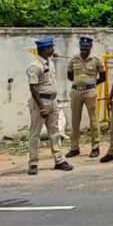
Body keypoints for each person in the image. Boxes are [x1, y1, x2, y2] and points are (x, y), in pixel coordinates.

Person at [26, 38, 74, 175]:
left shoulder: (50, 63)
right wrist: (41, 107)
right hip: (40, 101)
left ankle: (59, 160)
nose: (53, 50)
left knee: (55, 131)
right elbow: (33, 88)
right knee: (35, 133)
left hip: (52, 101)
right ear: (44, 49)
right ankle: (33, 163)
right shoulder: (35, 66)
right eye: (50, 48)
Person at [66, 37, 106, 159]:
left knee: (93, 121)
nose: (84, 50)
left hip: (90, 92)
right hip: (76, 91)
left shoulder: (96, 60)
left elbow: (103, 77)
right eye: (82, 48)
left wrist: (91, 84)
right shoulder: (73, 60)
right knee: (75, 120)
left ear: (90, 47)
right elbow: (70, 75)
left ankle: (95, 147)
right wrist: (80, 83)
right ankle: (74, 148)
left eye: (86, 48)